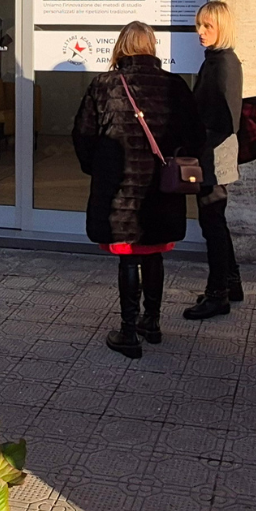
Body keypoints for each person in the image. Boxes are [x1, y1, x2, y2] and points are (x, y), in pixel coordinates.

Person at [73, 21, 202, 358]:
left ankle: (128, 332)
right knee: (154, 250)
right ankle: (153, 323)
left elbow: (83, 135)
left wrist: (99, 168)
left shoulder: (104, 85)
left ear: (121, 47)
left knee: (128, 256)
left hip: (120, 189)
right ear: (152, 47)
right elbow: (194, 138)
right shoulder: (175, 86)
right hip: (161, 189)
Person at [184, 0, 245, 320]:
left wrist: (198, 146)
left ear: (222, 27)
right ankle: (230, 283)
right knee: (215, 222)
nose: (201, 32)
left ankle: (217, 293)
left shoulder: (223, 62)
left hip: (213, 152)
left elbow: (224, 118)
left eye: (208, 25)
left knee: (213, 223)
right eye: (198, 25)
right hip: (214, 151)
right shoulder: (217, 60)